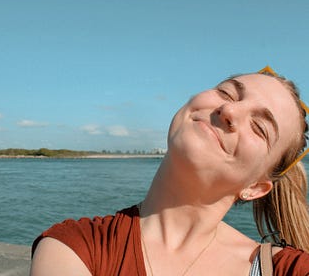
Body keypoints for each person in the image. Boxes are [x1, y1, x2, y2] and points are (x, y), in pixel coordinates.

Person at [30, 67, 309, 275]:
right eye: (227, 93)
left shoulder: (291, 269)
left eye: (259, 128)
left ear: (255, 188)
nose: (229, 110)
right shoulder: (77, 246)